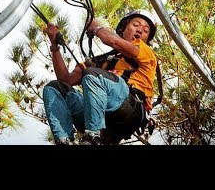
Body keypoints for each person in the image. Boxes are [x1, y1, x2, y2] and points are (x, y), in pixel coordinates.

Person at [42, 9, 158, 145]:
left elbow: (113, 41)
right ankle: (64, 140)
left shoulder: (145, 52)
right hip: (101, 115)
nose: (139, 31)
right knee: (55, 88)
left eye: (145, 31)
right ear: (123, 28)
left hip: (129, 110)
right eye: (136, 25)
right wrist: (55, 46)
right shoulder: (103, 60)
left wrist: (96, 27)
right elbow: (66, 80)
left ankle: (92, 137)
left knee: (93, 75)